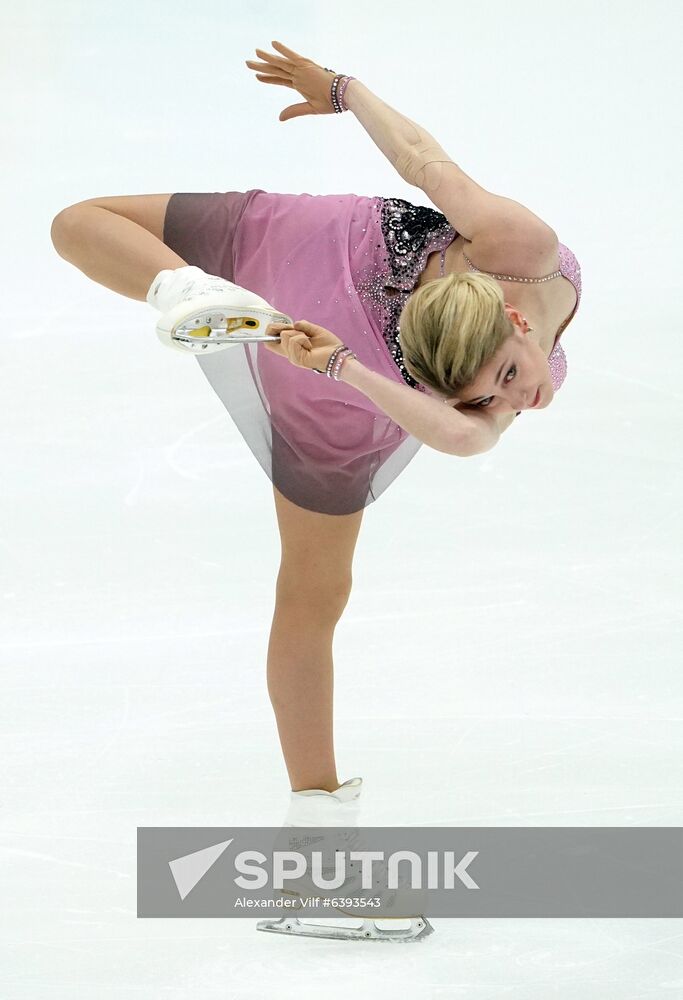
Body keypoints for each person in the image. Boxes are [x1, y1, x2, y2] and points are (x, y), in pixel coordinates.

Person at [49, 40, 582, 943]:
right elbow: (456, 430)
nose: (511, 401)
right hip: (332, 349)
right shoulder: (508, 286)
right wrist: (346, 366)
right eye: (499, 382)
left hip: (315, 287)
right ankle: (313, 867)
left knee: (80, 219)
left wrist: (346, 91)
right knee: (312, 596)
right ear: (518, 319)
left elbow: (424, 169)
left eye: (499, 385)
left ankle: (184, 290)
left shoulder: (510, 260)